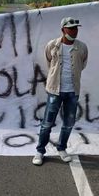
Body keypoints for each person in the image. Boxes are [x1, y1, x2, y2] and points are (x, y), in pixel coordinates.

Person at [32, 17, 88, 166]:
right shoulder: (52, 45)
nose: (75, 31)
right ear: (63, 29)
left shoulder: (82, 47)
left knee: (68, 123)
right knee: (47, 123)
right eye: (71, 28)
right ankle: (40, 150)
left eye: (76, 28)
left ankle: (62, 148)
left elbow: (82, 64)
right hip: (54, 91)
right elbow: (49, 62)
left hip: (72, 92)